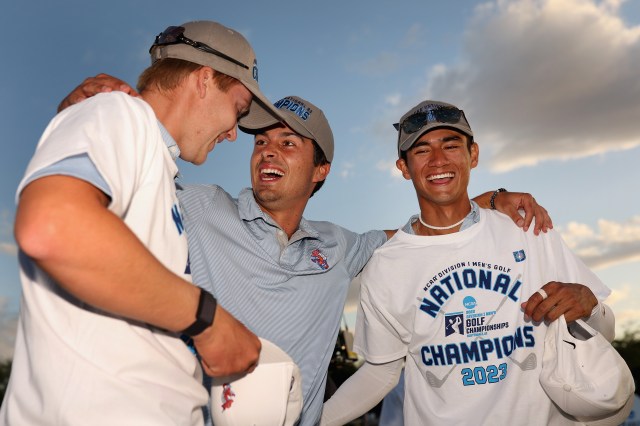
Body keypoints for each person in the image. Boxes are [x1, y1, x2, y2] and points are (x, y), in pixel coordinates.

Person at [56, 74, 553, 424]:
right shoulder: (199, 207)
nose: (268, 150)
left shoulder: (338, 246)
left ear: (320, 171)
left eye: (290, 144)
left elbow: (421, 230)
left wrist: (491, 198)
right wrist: (80, 115)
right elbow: (110, 184)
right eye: (261, 141)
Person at [0, 20, 288, 425]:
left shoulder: (158, 169)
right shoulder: (119, 112)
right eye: (238, 110)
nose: (233, 135)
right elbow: (52, 226)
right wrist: (207, 321)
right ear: (204, 79)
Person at [320, 100, 616, 426]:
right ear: (404, 168)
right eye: (421, 151)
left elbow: (604, 331)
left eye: (451, 146)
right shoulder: (388, 263)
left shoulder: (527, 229)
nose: (438, 160)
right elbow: (381, 373)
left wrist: (590, 306)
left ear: (472, 155)